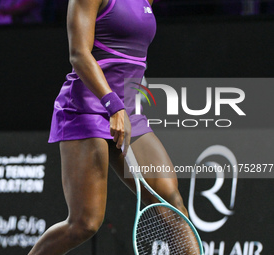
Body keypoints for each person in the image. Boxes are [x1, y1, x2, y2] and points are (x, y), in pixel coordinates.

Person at [28, 0, 198, 254]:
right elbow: (78, 54)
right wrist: (113, 105)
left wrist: (123, 107)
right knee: (83, 224)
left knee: (172, 204)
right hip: (87, 108)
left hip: (129, 112)